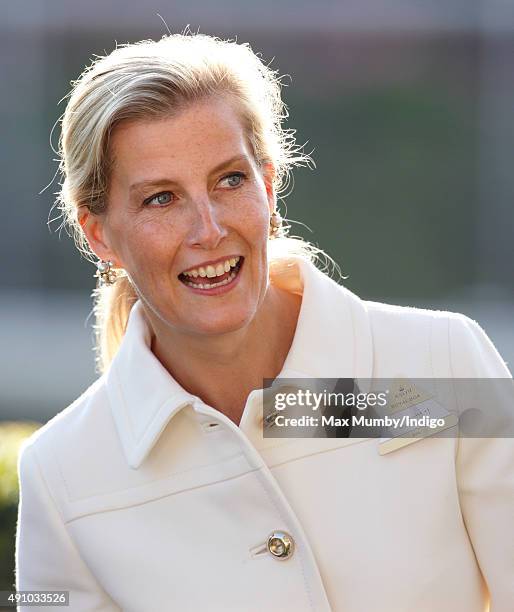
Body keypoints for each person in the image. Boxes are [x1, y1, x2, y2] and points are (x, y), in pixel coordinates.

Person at [15, 33, 513, 611]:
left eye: (230, 180)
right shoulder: (62, 476)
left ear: (269, 186)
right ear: (98, 234)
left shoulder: (439, 365)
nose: (208, 230)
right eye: (160, 199)